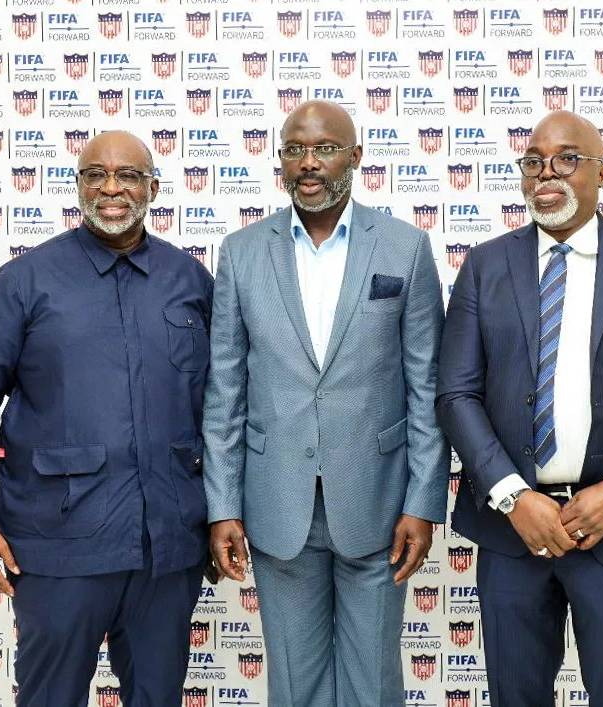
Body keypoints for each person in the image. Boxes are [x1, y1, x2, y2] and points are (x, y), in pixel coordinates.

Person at [203, 100, 448, 706]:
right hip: (277, 504)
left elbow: (427, 389)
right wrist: (222, 506)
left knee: (373, 684)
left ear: (355, 157)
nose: (308, 163)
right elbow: (225, 392)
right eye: (295, 149)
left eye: (325, 148)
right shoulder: (240, 252)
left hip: (380, 502)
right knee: (294, 683)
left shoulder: (405, 247)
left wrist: (423, 501)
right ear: (281, 161)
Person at [0, 131, 213, 706]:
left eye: (127, 175)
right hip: (56, 548)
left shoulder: (190, 282)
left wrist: (223, 512)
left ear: (154, 186)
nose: (111, 188)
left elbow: (223, 409)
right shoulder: (26, 282)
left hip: (166, 549)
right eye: (94, 174)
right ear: (77, 186)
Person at [437, 110, 603, 706]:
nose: (548, 173)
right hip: (512, 529)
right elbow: (455, 394)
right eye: (534, 161)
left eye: (568, 158)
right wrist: (513, 495)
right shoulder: (485, 265)